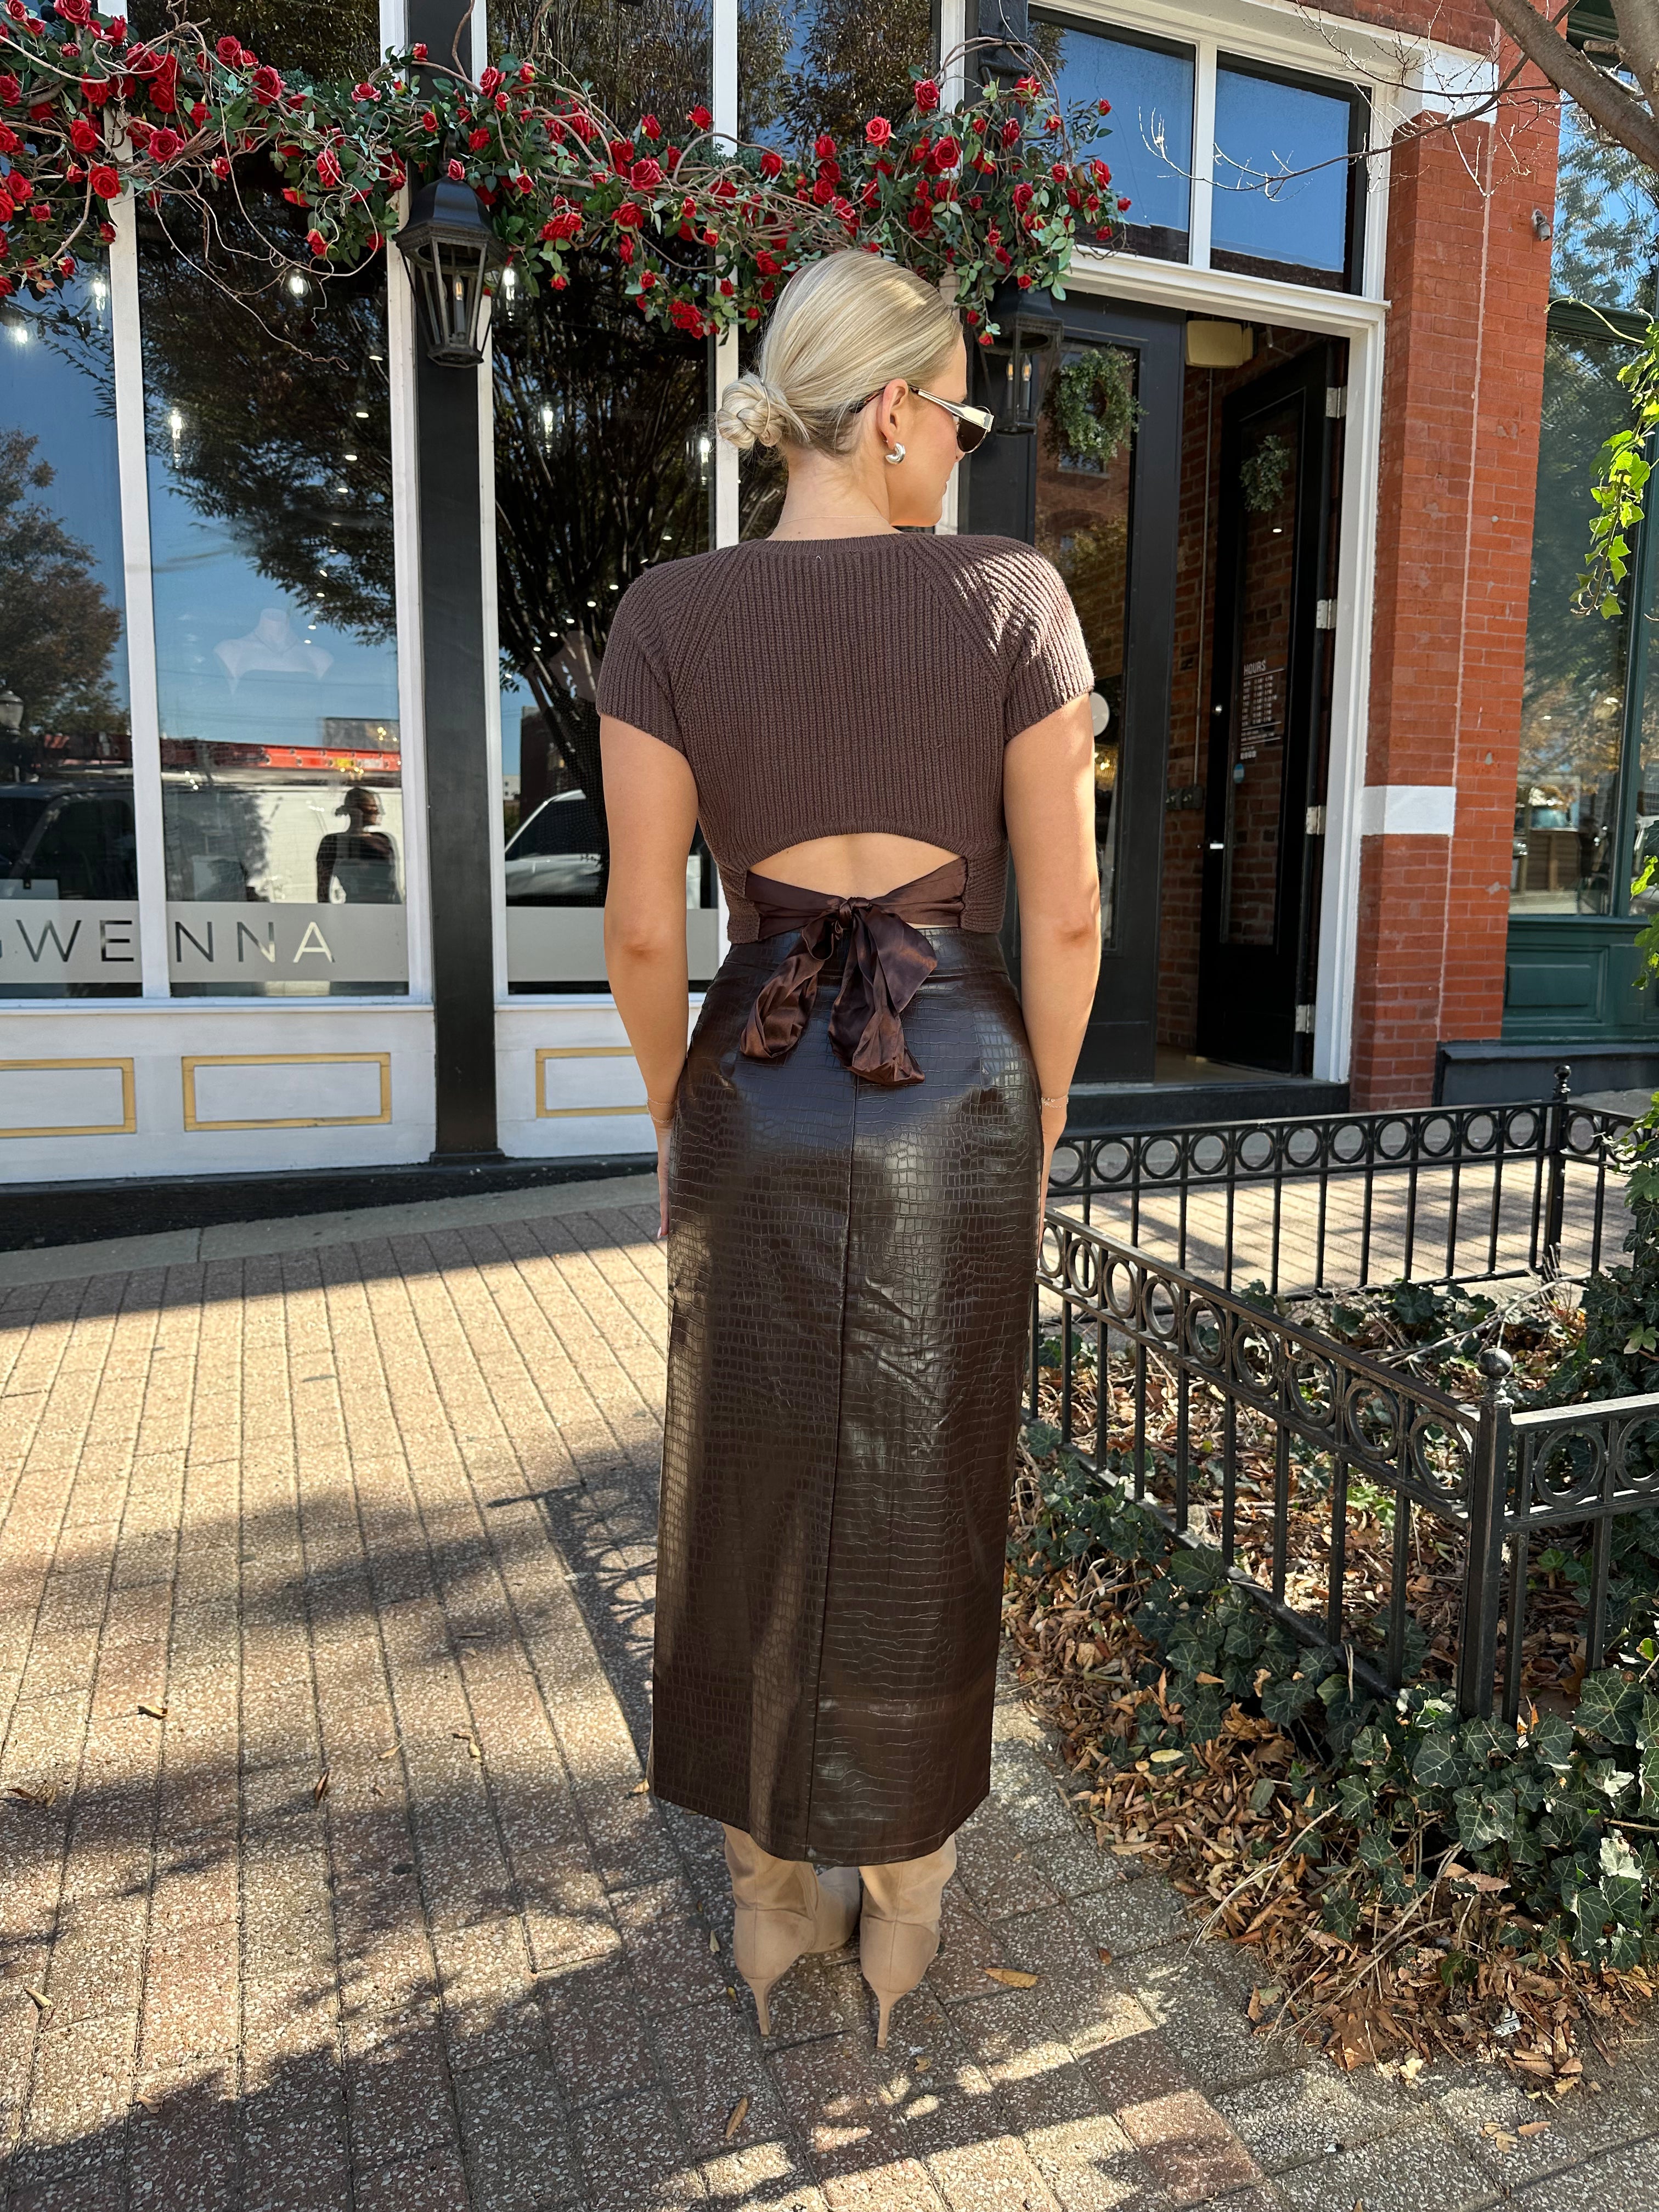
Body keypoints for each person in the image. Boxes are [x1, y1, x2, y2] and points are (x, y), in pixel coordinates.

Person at [597, 251, 1101, 2049]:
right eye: (954, 415)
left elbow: (643, 932)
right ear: (888, 409)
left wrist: (683, 1119)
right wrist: (1031, 1128)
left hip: (754, 1065)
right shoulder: (1008, 595)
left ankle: (765, 1902)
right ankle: (906, 1905)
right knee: (927, 1482)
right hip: (947, 1075)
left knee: (739, 1489)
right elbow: (1064, 923)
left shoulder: (667, 611)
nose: (959, 449)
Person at [315, 785, 399, 903]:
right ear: (356, 811)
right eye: (372, 808)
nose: (378, 812)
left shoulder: (383, 840)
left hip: (384, 912)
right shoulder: (333, 843)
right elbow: (323, 892)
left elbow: (393, 887)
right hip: (356, 912)